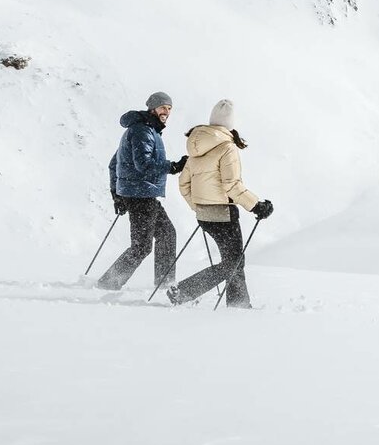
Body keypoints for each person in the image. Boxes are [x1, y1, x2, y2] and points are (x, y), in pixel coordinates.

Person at [166, 99, 273, 308]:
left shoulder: (196, 147)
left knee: (233, 261)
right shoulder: (227, 147)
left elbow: (183, 184)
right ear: (231, 123)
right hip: (224, 215)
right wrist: (256, 205)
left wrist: (198, 206)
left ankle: (239, 305)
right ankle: (185, 291)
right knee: (233, 262)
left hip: (204, 216)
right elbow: (231, 185)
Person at [95, 91, 186, 291]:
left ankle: (163, 282)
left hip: (140, 193)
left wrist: (117, 194)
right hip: (140, 194)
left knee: (167, 234)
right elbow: (143, 165)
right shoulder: (142, 131)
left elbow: (114, 164)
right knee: (142, 246)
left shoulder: (144, 129)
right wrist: (173, 166)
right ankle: (108, 283)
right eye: (162, 107)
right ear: (152, 108)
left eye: (169, 108)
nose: (166, 112)